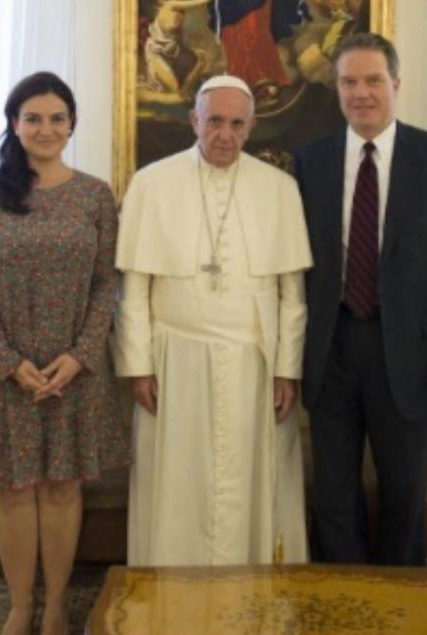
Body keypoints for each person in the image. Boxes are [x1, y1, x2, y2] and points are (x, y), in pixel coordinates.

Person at [0, 71, 129, 635]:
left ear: (72, 124)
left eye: (56, 118)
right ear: (13, 124)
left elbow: (108, 284)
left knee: (60, 488)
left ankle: (55, 606)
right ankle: (21, 605)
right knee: (13, 489)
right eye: (33, 118)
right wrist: (10, 362)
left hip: (73, 369)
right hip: (4, 371)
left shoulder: (97, 195)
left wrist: (80, 355)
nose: (45, 128)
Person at [112, 74, 313, 566]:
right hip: (174, 360)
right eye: (215, 121)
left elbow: (293, 293)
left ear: (251, 127)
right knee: (178, 480)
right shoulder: (151, 183)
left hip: (255, 364)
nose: (225, 134)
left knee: (249, 481)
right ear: (194, 121)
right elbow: (134, 287)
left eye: (237, 124)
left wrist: (287, 369)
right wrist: (138, 366)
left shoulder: (280, 188)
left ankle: (252, 596)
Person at [294, 33, 427, 566]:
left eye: (374, 81)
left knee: (403, 498)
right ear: (337, 89)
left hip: (409, 354)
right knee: (333, 498)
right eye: (349, 82)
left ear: (396, 85)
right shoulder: (312, 161)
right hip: (330, 351)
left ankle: (401, 610)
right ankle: (342, 606)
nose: (362, 93)